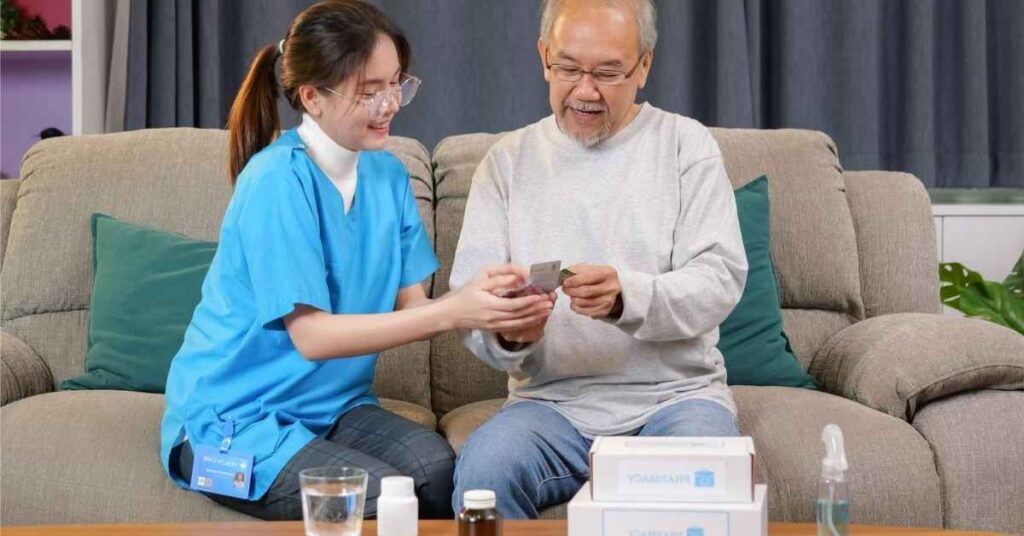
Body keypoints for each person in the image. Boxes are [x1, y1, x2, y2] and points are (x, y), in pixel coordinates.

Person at [159, 0, 551, 521]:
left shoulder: (389, 177)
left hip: (331, 410)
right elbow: (312, 336)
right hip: (234, 421)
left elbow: (415, 309)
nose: (390, 104)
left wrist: (485, 300)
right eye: (369, 92)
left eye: (396, 84)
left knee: (438, 472)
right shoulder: (276, 182)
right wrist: (454, 311)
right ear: (312, 97)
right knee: (385, 496)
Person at [449, 0, 749, 518]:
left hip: (676, 399)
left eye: (608, 73)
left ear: (644, 66)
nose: (585, 91)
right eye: (569, 69)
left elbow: (719, 280)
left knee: (705, 484)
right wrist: (511, 335)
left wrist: (626, 298)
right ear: (544, 58)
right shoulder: (506, 163)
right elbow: (469, 307)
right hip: (549, 407)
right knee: (485, 475)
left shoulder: (685, 146)